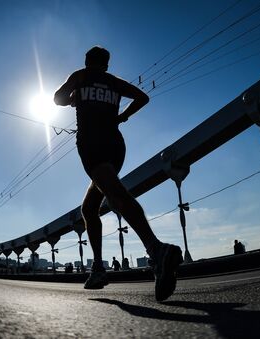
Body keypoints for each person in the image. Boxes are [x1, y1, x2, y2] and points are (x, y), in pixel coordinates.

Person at [54, 46, 183, 301]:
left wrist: (73, 99)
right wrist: (121, 116)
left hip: (91, 144)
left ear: (87, 61)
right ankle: (99, 269)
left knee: (114, 194)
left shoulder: (79, 76)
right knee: (90, 209)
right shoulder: (114, 82)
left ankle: (157, 251)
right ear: (107, 65)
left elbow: (57, 99)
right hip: (116, 145)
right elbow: (143, 98)